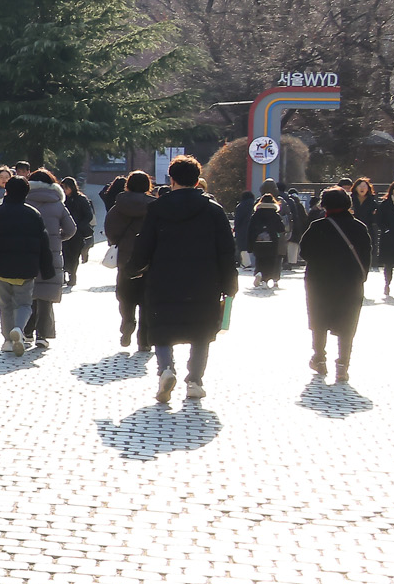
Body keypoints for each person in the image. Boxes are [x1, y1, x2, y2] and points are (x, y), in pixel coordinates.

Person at [125, 155, 237, 404]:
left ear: (171, 179)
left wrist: (133, 269)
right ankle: (195, 382)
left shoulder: (157, 208)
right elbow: (227, 251)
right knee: (201, 332)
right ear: (198, 181)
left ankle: (166, 370)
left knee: (162, 329)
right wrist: (230, 283)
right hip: (205, 281)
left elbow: (145, 245)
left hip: (164, 279)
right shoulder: (213, 210)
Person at [0, 176, 55, 355]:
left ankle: (7, 341)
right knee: (24, 303)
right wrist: (47, 268)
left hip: (0, 267)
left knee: (5, 305)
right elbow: (44, 243)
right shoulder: (33, 214)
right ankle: (18, 329)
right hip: (27, 268)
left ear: (7, 191)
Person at [301, 188, 371, 381]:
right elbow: (366, 257)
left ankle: (319, 359)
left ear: (324, 205)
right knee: (347, 325)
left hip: (319, 282)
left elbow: (304, 253)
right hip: (350, 283)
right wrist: (360, 277)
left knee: (319, 321)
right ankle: (342, 366)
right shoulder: (359, 227)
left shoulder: (317, 226)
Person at [23, 170, 78, 349]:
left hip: (27, 252)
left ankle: (26, 331)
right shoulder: (57, 203)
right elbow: (71, 229)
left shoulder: (24, 200)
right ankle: (43, 335)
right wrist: (57, 237)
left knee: (28, 294)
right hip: (51, 253)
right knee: (46, 296)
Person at [102, 171, 153, 347]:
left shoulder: (118, 207)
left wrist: (118, 242)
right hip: (149, 260)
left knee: (125, 296)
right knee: (147, 300)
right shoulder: (154, 207)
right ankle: (145, 340)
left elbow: (110, 230)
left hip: (125, 258)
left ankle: (127, 322)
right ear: (148, 186)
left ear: (128, 185)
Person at [60, 176, 94, 289]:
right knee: (64, 253)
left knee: (74, 255)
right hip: (64, 231)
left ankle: (72, 275)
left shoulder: (81, 199)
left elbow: (88, 215)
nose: (64, 190)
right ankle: (64, 275)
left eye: (66, 188)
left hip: (77, 233)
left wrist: (79, 225)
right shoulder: (62, 200)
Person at [246, 193, 287, 289]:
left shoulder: (256, 214)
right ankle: (265, 280)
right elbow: (281, 228)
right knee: (270, 261)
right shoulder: (275, 214)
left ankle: (259, 272)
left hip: (258, 241)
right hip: (272, 241)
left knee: (260, 259)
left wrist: (250, 244)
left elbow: (250, 229)